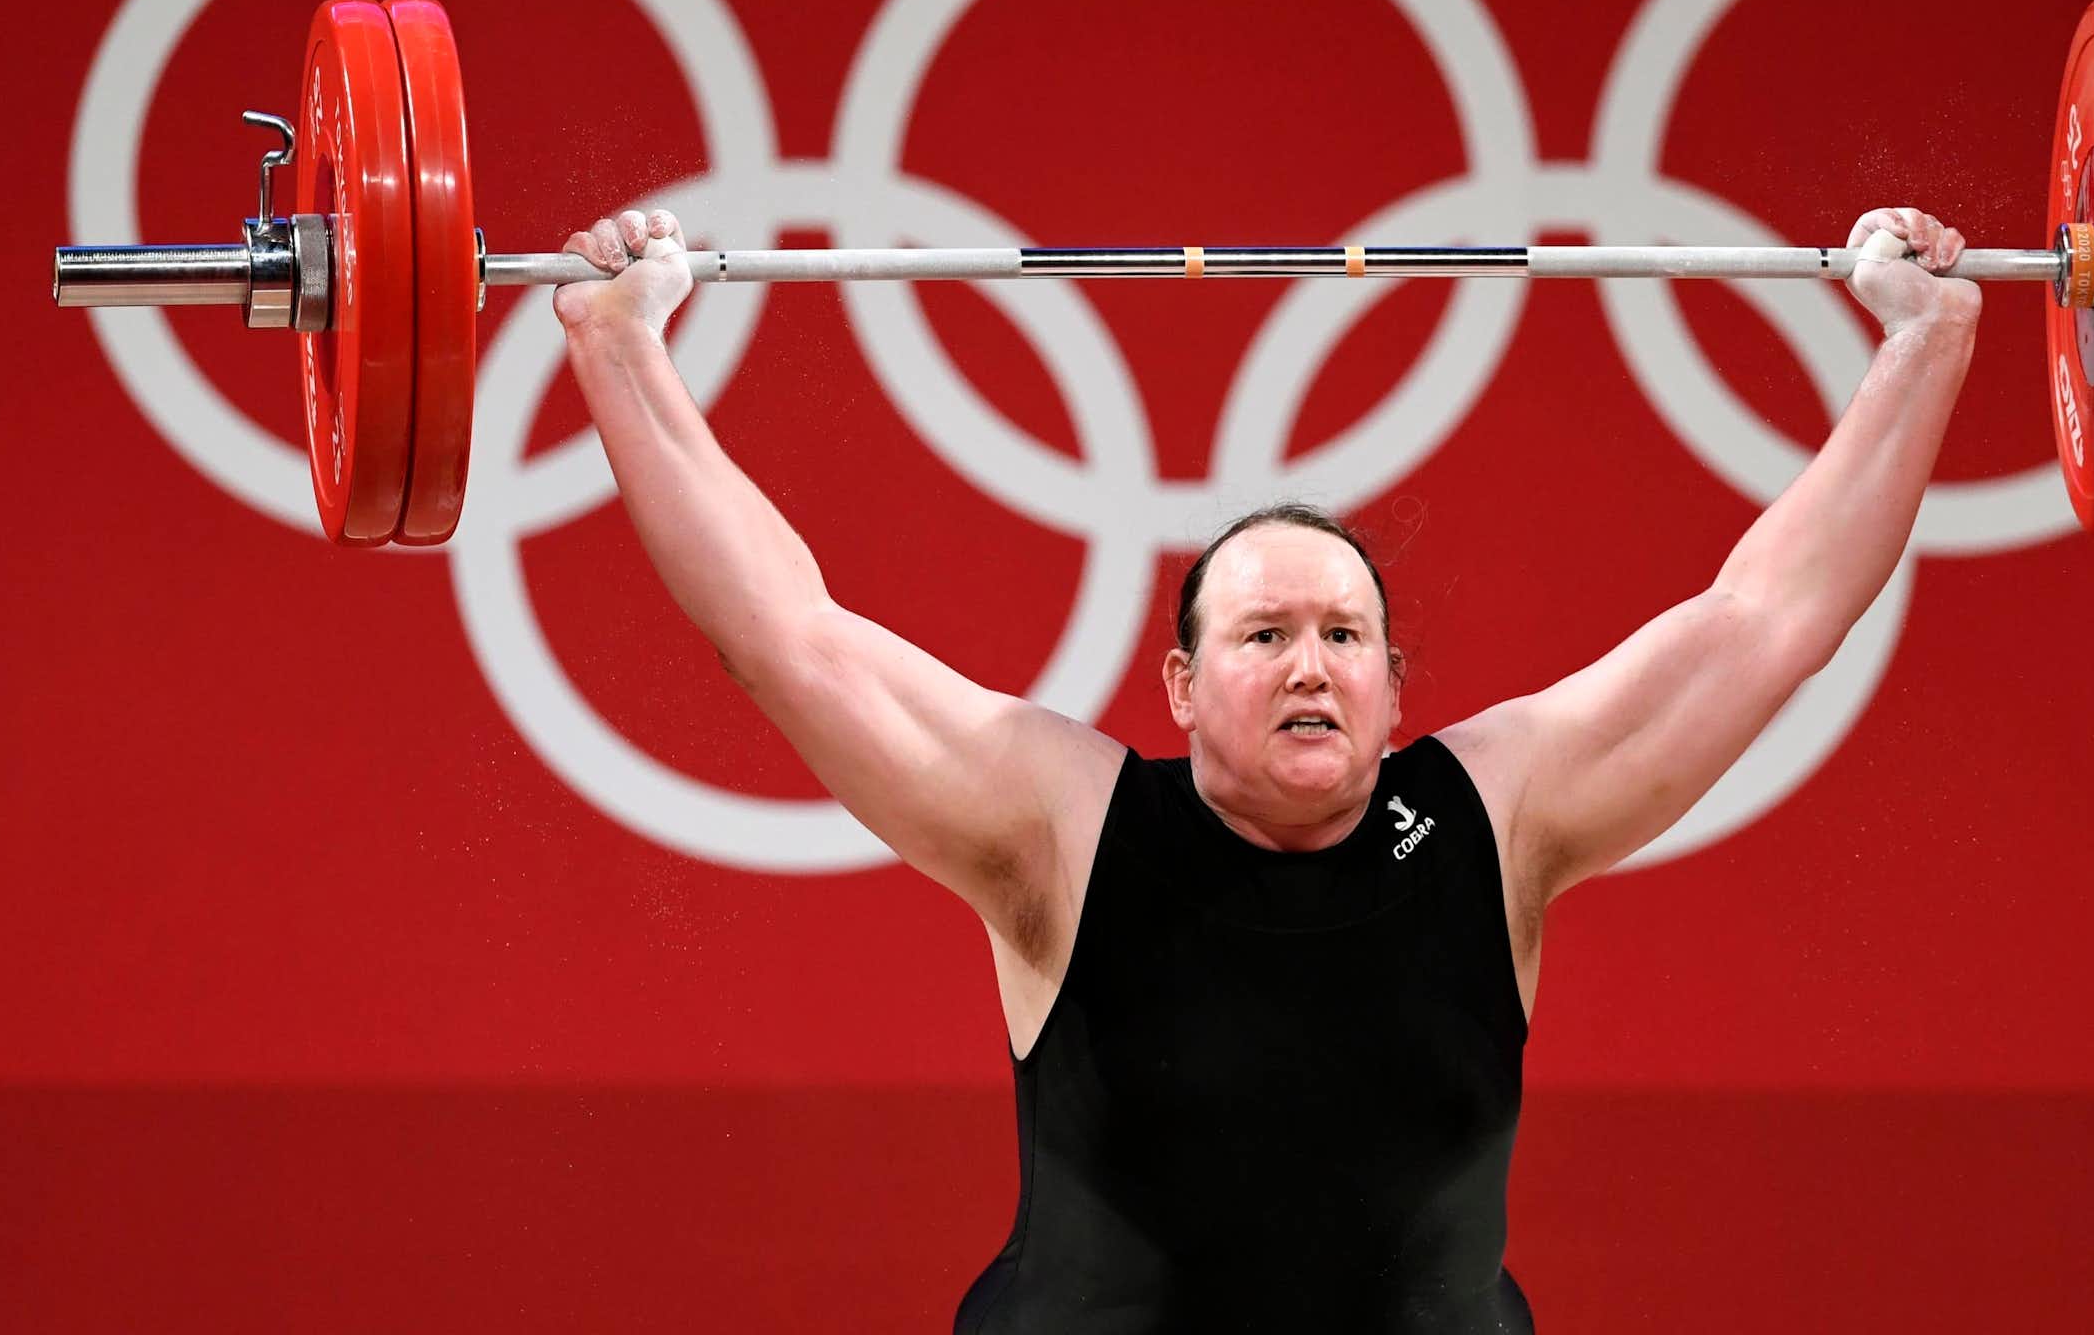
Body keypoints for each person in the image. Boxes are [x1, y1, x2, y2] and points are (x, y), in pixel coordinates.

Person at [554, 205, 1978, 1333]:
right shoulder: (1060, 831)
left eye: (1346, 634)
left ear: (1394, 686)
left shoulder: (1499, 814)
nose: (1311, 665)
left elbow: (1767, 623)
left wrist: (1926, 346)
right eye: (1265, 634)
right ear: (1179, 685)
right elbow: (787, 638)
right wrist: (622, 350)